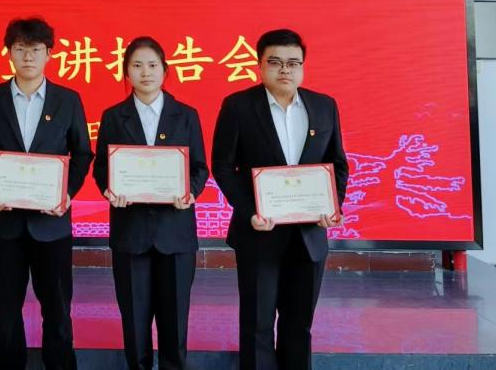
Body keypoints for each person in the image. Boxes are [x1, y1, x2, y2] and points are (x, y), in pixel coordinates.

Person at [211, 28, 348, 370]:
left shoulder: (324, 106)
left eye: (293, 63)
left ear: (302, 67)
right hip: (259, 232)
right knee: (257, 324)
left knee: (299, 325)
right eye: (275, 62)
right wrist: (250, 211)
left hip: (309, 236)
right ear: (260, 65)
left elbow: (337, 164)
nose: (285, 69)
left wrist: (332, 206)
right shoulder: (238, 106)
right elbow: (224, 166)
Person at [0, 16, 94, 370]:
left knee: (57, 309)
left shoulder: (67, 100)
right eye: (20, 49)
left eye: (36, 49)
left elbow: (82, 153)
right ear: (9, 53)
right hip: (6, 224)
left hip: (52, 225)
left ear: (49, 54)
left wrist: (66, 194)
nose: (28, 57)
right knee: (6, 311)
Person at [92, 36, 209, 370]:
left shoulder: (186, 115)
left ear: (165, 70)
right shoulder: (113, 116)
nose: (146, 72)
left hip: (175, 233)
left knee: (175, 323)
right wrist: (110, 189)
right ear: (126, 72)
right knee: (135, 322)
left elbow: (199, 167)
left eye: (153, 65)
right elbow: (103, 168)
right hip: (131, 232)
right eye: (137, 65)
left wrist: (191, 192)